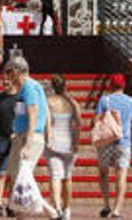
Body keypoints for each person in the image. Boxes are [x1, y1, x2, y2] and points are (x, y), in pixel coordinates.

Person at [3, 57, 62, 220]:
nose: (7, 77)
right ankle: (24, 214)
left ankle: (52, 212)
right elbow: (44, 112)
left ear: (16, 71)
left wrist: (27, 143)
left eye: (8, 73)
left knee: (23, 177)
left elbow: (33, 114)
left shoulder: (29, 88)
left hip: (29, 138)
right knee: (19, 178)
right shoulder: (30, 87)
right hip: (24, 136)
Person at [95, 73, 132, 218]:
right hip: (124, 142)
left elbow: (96, 121)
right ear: (123, 86)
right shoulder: (131, 101)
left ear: (111, 85)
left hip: (106, 142)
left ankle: (106, 205)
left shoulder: (104, 100)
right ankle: (117, 209)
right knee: (121, 175)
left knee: (103, 173)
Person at [46, 75, 82, 220]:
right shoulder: (72, 102)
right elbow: (78, 123)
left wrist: (46, 138)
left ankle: (57, 208)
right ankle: (67, 209)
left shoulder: (48, 102)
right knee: (67, 178)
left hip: (53, 143)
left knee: (55, 177)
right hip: (69, 143)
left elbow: (46, 122)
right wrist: (76, 141)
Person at [0, 78, 20, 217]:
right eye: (4, 80)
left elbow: (25, 118)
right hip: (1, 138)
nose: (5, 82)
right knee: (1, 172)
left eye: (8, 80)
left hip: (17, 139)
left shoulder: (20, 99)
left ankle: (10, 204)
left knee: (13, 174)